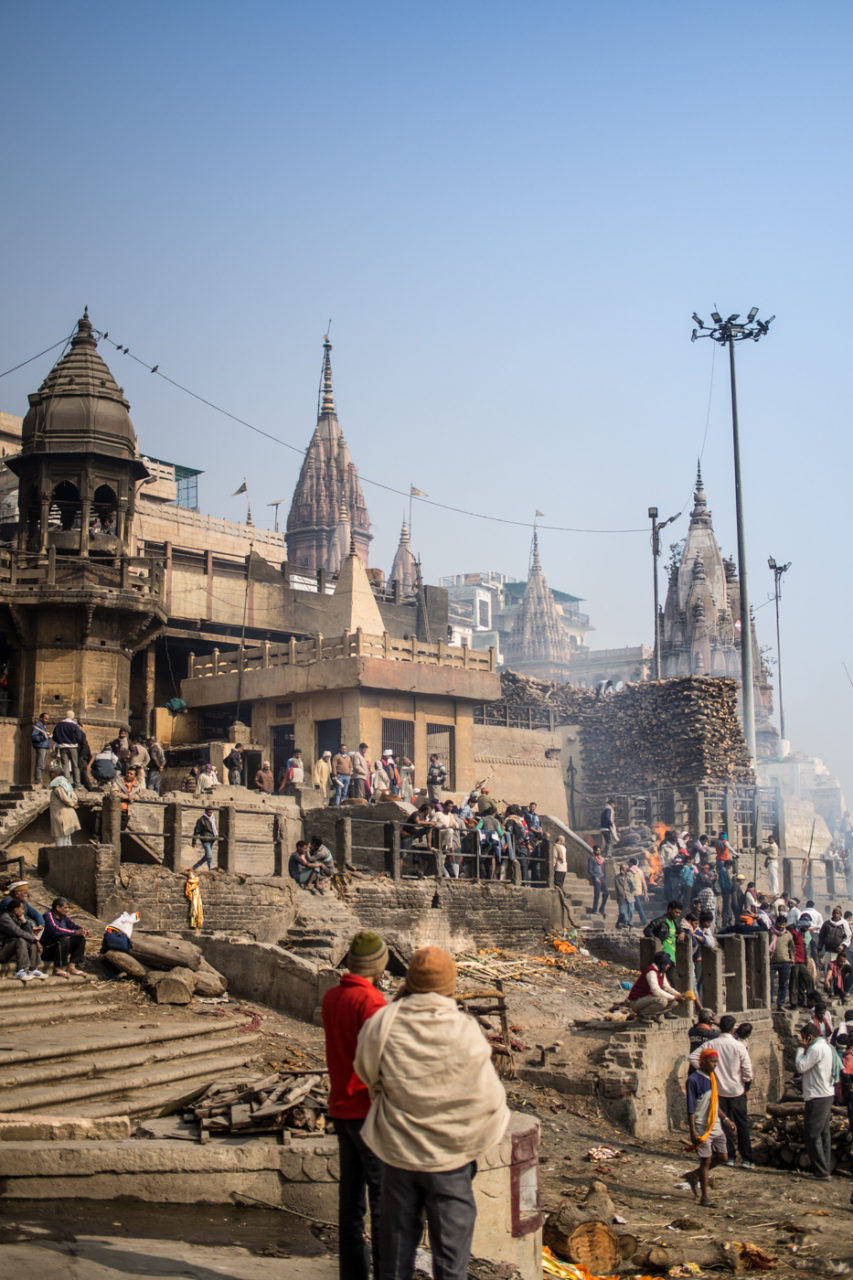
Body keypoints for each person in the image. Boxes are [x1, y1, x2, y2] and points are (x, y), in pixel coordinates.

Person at [354, 946, 509, 1280]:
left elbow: (367, 1073)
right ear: (450, 986)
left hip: (398, 1154)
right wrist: (469, 1134)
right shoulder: (465, 1029)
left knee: (395, 1259)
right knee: (451, 1263)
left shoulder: (384, 1022)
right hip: (450, 1161)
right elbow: (491, 1098)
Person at [321, 931, 388, 1280]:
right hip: (367, 1113)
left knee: (350, 1205)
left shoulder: (332, 998)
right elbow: (383, 1063)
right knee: (381, 1207)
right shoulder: (372, 1003)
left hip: (340, 1109)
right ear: (378, 966)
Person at [690, 1014, 754, 1168]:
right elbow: (748, 1071)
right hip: (736, 1090)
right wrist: (746, 1083)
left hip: (718, 1091)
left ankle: (730, 1157)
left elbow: (692, 1058)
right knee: (742, 1125)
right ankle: (747, 1159)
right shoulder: (739, 1046)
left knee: (724, 1125)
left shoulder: (712, 1044)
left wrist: (706, 1072)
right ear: (733, 1029)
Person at [685, 1047, 736, 1206]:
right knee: (706, 1160)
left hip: (715, 1124)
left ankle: (694, 1175)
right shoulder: (693, 1080)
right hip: (701, 1125)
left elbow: (714, 1104)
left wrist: (726, 1119)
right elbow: (691, 1107)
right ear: (703, 1062)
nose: (715, 1065)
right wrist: (692, 1129)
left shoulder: (712, 1078)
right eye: (713, 1062)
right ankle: (705, 1197)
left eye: (716, 1062)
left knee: (723, 1156)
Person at [795, 1022, 836, 1179]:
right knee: (823, 1134)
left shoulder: (815, 1048)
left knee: (812, 1134)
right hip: (825, 1094)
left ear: (809, 1037)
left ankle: (821, 1171)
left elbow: (801, 1067)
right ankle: (825, 1167)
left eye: (803, 1038)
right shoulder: (824, 1046)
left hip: (817, 1096)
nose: (802, 1040)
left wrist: (800, 1049)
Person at [40, 897, 91, 977]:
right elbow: (55, 930)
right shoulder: (48, 915)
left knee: (80, 938)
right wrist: (75, 932)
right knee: (64, 938)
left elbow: (73, 926)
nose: (67, 910)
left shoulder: (64, 917)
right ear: (58, 908)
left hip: (60, 948)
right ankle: (58, 968)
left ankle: (72, 966)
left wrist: (83, 930)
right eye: (65, 908)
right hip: (47, 949)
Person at [626, 952, 684, 1021]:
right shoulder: (651, 972)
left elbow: (667, 987)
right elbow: (656, 990)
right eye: (667, 964)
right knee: (662, 1001)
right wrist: (673, 996)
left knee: (675, 1001)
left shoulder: (661, 972)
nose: (668, 966)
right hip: (637, 1001)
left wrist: (678, 994)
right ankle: (643, 1015)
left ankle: (654, 1015)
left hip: (649, 999)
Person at [0, 900, 46, 981]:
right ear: (15, 909)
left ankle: (33, 969)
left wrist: (24, 921)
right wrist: (36, 941)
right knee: (21, 940)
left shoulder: (17, 918)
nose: (23, 911)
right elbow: (17, 932)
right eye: (21, 909)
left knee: (30, 941)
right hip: (2, 951)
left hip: (12, 950)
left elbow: (28, 933)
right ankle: (20, 970)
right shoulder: (5, 918)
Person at [48, 764, 79, 846]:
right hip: (68, 814)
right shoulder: (66, 784)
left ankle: (61, 857)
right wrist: (73, 803)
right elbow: (74, 796)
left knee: (60, 840)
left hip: (61, 816)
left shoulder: (57, 786)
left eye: (51, 773)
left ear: (55, 774)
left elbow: (64, 798)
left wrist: (72, 804)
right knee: (67, 839)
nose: (50, 776)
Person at [770, 915, 795, 1010]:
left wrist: (792, 958)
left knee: (783, 984)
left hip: (784, 962)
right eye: (779, 924)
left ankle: (780, 1004)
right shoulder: (770, 933)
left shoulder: (788, 935)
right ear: (776, 923)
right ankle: (769, 1003)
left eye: (783, 924)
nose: (781, 926)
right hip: (771, 962)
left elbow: (792, 948)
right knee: (769, 983)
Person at [52, 709, 82, 785]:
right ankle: (77, 783)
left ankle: (67, 783)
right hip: (73, 747)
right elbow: (79, 738)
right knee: (75, 765)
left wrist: (60, 741)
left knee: (65, 766)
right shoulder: (74, 726)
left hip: (62, 747)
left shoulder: (59, 725)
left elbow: (54, 736)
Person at [587, 845, 609, 917]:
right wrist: (595, 877)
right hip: (596, 878)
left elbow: (603, 860)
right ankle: (594, 909)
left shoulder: (600, 858)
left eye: (599, 850)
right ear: (594, 851)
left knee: (606, 893)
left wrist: (606, 859)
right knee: (597, 894)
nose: (598, 852)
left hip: (602, 877)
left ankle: (601, 908)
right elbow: (590, 870)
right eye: (597, 850)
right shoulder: (592, 859)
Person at [626, 857, 648, 925]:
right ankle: (643, 921)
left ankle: (630, 922)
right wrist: (645, 894)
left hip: (631, 892)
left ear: (631, 863)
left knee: (631, 908)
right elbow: (644, 883)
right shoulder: (640, 871)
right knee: (637, 907)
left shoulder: (629, 871)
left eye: (629, 863)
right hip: (638, 892)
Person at [31, 712, 50, 785]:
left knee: (43, 765)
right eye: (45, 718)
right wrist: (43, 737)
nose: (47, 720)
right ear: (41, 718)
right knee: (39, 764)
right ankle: (38, 780)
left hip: (45, 746)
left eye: (48, 719)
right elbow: (34, 737)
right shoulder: (37, 726)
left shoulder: (43, 727)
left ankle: (40, 779)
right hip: (40, 746)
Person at [614, 863, 632, 929]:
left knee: (629, 910)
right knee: (622, 911)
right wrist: (618, 896)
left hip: (629, 896)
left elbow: (631, 884)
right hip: (621, 896)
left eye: (624, 868)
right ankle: (620, 923)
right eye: (622, 868)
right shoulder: (617, 877)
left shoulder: (628, 876)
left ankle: (626, 923)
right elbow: (617, 888)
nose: (623, 869)